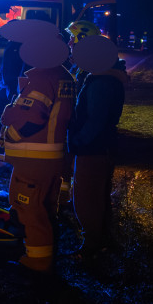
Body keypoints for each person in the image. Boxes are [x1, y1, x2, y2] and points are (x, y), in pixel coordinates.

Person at [0, 34, 75, 273]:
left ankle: (38, 261)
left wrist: (10, 132)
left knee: (28, 208)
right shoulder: (64, 76)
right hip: (51, 157)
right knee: (46, 208)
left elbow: (31, 118)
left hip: (33, 158)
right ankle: (46, 255)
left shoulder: (42, 78)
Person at [66, 25, 128, 258]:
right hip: (100, 146)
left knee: (86, 197)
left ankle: (91, 245)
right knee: (97, 195)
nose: (70, 46)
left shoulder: (101, 82)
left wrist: (79, 142)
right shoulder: (101, 76)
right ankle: (100, 239)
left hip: (94, 148)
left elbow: (96, 120)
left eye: (74, 42)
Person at [0, 10, 51, 157]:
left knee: (6, 118)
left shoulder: (19, 45)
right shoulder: (15, 43)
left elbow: (20, 69)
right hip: (6, 88)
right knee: (2, 118)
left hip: (10, 89)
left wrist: (14, 89)